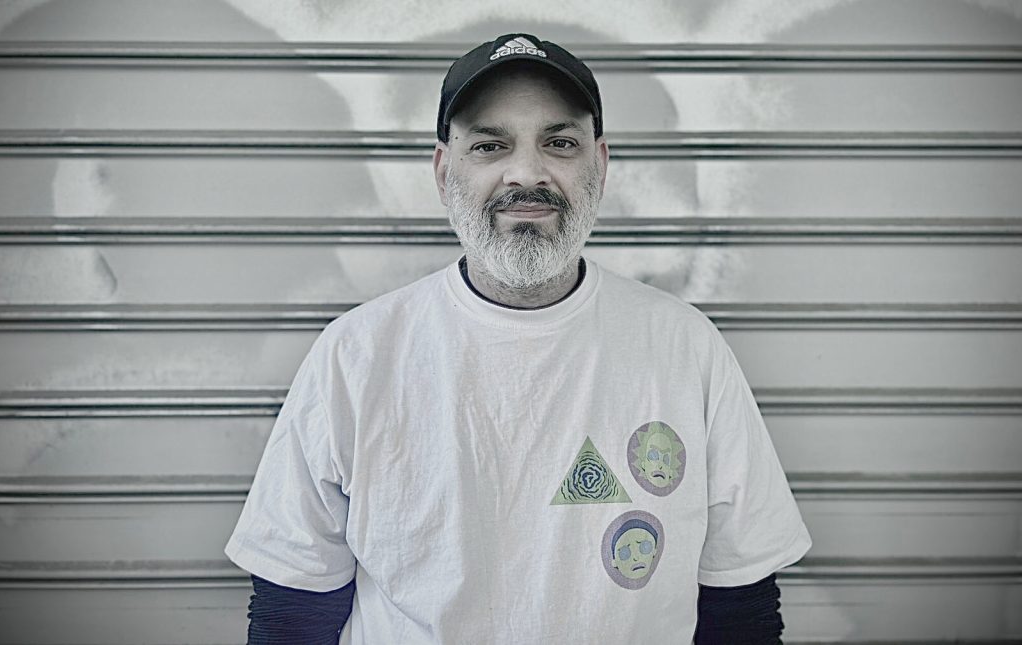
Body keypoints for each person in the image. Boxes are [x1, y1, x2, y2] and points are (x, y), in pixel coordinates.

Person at [225, 32, 811, 644]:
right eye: (489, 145)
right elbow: (293, 613)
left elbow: (739, 608)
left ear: (600, 165)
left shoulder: (686, 348)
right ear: (444, 172)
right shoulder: (356, 356)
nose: (527, 173)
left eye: (560, 143)